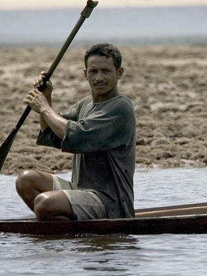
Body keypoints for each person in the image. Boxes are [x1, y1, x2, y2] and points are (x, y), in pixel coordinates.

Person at [16, 43, 136, 221]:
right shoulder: (85, 104)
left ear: (119, 73)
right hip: (80, 190)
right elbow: (53, 133)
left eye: (106, 71)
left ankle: (59, 222)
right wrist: (47, 97)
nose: (99, 78)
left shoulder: (121, 107)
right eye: (93, 72)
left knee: (43, 203)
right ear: (85, 74)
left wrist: (44, 108)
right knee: (25, 181)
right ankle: (63, 224)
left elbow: (76, 134)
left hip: (110, 201)